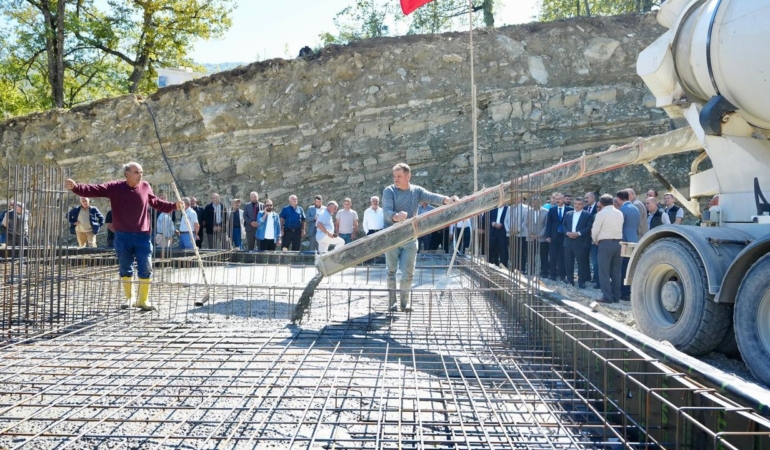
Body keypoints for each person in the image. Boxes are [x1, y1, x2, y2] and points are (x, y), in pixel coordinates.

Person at [65, 162, 183, 311]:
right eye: (136, 172)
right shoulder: (115, 187)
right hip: (122, 236)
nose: (140, 175)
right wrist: (76, 187)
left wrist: (174, 206)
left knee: (146, 267)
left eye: (141, 172)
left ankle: (143, 300)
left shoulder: (146, 186)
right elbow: (94, 189)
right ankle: (130, 298)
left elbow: (157, 203)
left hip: (143, 236)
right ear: (127, 174)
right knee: (125, 268)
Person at [383, 163, 459, 312]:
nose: (395, 179)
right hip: (391, 238)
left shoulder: (416, 191)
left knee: (408, 272)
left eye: (399, 176)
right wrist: (395, 216)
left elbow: (431, 196)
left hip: (410, 237)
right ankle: (392, 303)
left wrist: (447, 200)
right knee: (391, 271)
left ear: (408, 176)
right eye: (394, 176)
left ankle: (404, 304)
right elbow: (386, 211)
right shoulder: (389, 191)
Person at [592, 194, 624, 303]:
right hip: (619, 243)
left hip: (605, 243)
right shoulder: (619, 213)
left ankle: (607, 296)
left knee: (604, 271)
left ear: (600, 203)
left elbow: (595, 229)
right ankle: (616, 296)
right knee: (616, 272)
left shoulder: (601, 214)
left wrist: (595, 239)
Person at [562, 197, 593, 288]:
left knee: (581, 263)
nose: (577, 206)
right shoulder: (568, 214)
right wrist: (567, 233)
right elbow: (563, 225)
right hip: (568, 241)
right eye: (575, 204)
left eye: (579, 204)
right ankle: (570, 280)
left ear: (583, 205)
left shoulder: (587, 215)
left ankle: (581, 281)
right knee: (568, 262)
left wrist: (578, 233)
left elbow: (589, 227)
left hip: (580, 242)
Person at [617, 190, 640, 300]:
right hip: (634, 239)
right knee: (630, 266)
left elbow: (620, 226)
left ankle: (624, 292)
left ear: (619, 199)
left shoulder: (622, 210)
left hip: (624, 241)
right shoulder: (636, 208)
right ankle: (629, 290)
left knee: (623, 267)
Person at [545, 193, 572, 282]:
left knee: (562, 256)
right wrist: (548, 236)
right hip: (554, 236)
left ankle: (562, 275)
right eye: (556, 199)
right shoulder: (552, 210)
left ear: (564, 199)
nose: (557, 200)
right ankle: (552, 275)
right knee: (553, 256)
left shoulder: (569, 210)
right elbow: (548, 224)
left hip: (564, 236)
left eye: (559, 198)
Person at [526, 196, 549, 277]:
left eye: (537, 201)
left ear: (540, 202)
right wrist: (530, 234)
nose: (535, 203)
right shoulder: (528, 211)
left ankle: (544, 272)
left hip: (541, 238)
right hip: (530, 238)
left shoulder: (546, 212)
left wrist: (540, 235)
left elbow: (546, 225)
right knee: (530, 255)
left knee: (543, 256)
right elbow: (525, 224)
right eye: (534, 202)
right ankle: (531, 271)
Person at [505, 198, 529, 272]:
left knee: (521, 252)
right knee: (512, 251)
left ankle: (521, 268)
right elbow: (505, 220)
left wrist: (517, 230)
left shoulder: (526, 208)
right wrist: (508, 230)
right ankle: (513, 267)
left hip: (520, 234)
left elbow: (525, 221)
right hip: (510, 234)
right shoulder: (509, 208)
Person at [584, 192, 600, 287]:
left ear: (593, 198)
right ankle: (587, 276)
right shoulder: (585, 209)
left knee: (596, 261)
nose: (585, 199)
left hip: (596, 239)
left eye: (587, 198)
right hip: (585, 238)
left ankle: (597, 278)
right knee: (585, 258)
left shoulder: (598, 208)